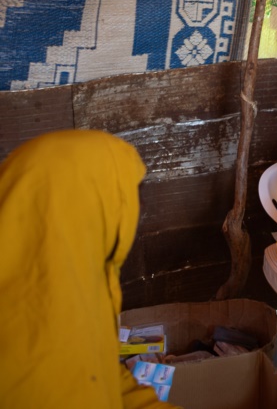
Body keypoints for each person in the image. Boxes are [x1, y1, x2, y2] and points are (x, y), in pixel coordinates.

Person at [0, 129, 176, 409]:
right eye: (126, 210)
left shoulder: (73, 287)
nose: (134, 224)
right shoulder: (28, 354)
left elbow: (105, 378)